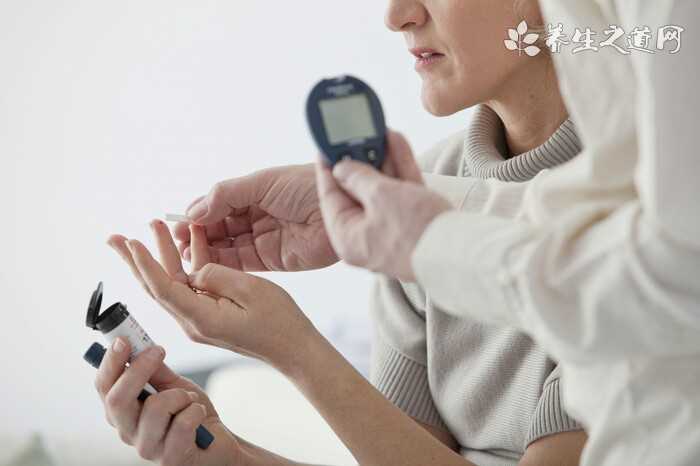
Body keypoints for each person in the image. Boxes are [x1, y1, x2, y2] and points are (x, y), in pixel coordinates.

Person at [97, 0, 591, 464]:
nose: (397, 15)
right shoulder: (425, 180)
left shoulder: (648, 219)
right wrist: (230, 456)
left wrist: (295, 350)